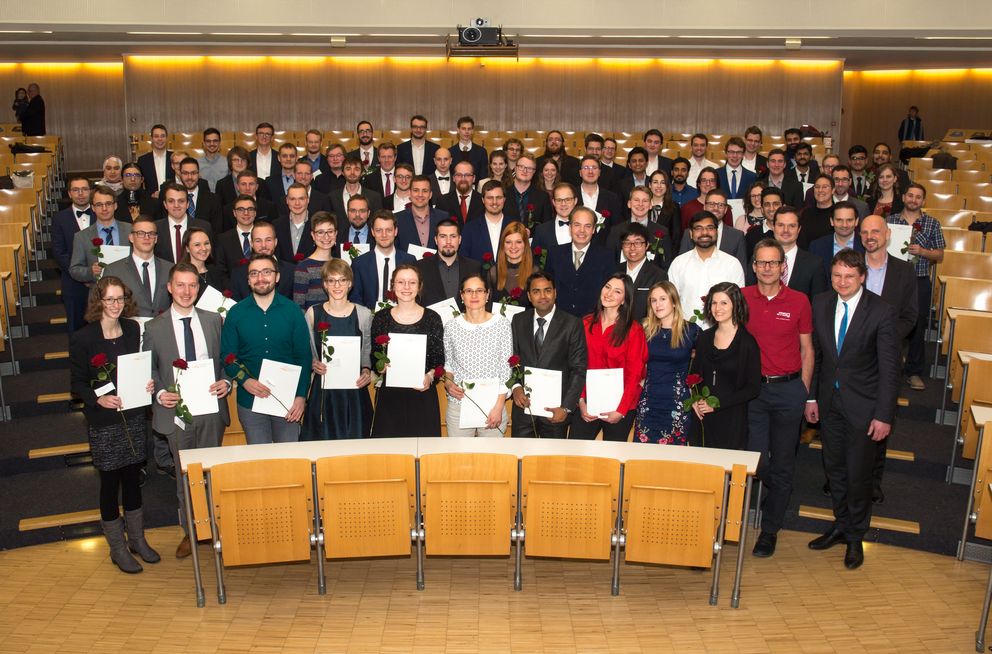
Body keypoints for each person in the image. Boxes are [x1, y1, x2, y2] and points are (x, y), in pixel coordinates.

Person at [805, 250, 900, 570]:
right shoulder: (820, 303)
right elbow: (816, 356)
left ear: (862, 277)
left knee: (859, 475)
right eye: (836, 276)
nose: (841, 282)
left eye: (848, 276)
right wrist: (811, 398)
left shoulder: (882, 311)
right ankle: (841, 524)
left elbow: (889, 370)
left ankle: (856, 535)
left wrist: (884, 414)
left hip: (865, 408)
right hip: (829, 405)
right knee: (835, 471)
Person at [142, 262, 231, 559]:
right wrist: (159, 393)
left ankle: (213, 529)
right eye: (180, 285)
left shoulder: (213, 321)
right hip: (176, 413)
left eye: (192, 285)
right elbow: (149, 369)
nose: (186, 291)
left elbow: (224, 361)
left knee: (210, 474)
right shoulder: (154, 328)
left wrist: (227, 383)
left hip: (209, 409)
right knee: (185, 477)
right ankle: (191, 532)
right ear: (169, 287)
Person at [69, 277, 156, 573]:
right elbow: (77, 383)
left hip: (132, 415)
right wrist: (98, 398)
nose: (116, 305)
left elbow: (138, 365)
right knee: (110, 483)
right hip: (104, 421)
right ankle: (117, 548)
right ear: (99, 302)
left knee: (133, 478)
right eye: (110, 300)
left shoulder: (132, 329)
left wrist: (147, 381)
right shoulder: (83, 338)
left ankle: (138, 540)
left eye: (120, 299)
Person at [743, 239, 815, 558]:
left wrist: (804, 390)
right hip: (753, 392)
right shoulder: (742, 298)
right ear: (754, 266)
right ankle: (780, 488)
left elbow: (807, 349)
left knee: (784, 462)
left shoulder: (799, 300)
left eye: (774, 263)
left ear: (782, 266)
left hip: (788, 391)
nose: (768, 268)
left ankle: (769, 531)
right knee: (757, 459)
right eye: (762, 263)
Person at [221, 253, 311, 444]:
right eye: (254, 273)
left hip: (288, 402)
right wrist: (244, 380)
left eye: (266, 272)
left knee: (288, 461)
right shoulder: (236, 313)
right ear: (248, 280)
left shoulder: (293, 311)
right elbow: (228, 356)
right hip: (250, 400)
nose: (260, 278)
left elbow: (304, 357)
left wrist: (301, 396)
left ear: (277, 277)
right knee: (259, 464)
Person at [860, 215, 919, 503]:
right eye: (865, 232)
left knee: (880, 419)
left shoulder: (905, 272)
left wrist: (882, 338)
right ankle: (841, 478)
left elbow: (910, 316)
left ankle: (872, 481)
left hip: (886, 358)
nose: (871, 236)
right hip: (850, 357)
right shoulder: (850, 268)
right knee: (845, 421)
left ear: (888, 235)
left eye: (876, 231)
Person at [509, 271, 588, 438]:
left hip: (556, 411)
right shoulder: (518, 320)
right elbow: (511, 359)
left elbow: (579, 369)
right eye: (536, 291)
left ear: (555, 293)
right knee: (521, 459)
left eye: (547, 290)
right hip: (524, 409)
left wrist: (566, 407)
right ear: (529, 296)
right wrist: (515, 388)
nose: (542, 296)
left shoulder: (572, 324)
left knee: (551, 462)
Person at [369, 264, 445, 437]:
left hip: (422, 395)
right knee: (390, 456)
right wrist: (380, 367)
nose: (406, 287)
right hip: (390, 397)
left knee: (424, 453)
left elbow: (438, 359)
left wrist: (430, 375)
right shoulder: (381, 317)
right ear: (393, 286)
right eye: (401, 282)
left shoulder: (433, 318)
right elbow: (374, 356)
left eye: (412, 282)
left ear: (419, 286)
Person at [301, 259, 373, 440]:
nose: (337, 285)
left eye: (342, 280)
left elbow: (367, 352)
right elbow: (306, 350)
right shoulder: (312, 313)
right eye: (331, 281)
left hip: (354, 392)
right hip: (324, 392)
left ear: (350, 283)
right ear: (325, 285)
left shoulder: (363, 314)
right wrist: (313, 363)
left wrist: (366, 370)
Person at [571, 273, 647, 441]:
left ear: (624, 299)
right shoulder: (585, 323)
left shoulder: (634, 330)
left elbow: (635, 373)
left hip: (619, 407)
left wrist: (621, 410)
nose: (609, 293)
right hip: (587, 403)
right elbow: (578, 366)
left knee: (611, 460)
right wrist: (581, 401)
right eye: (607, 287)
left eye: (617, 291)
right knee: (575, 456)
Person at [887, 183, 945, 391]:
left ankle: (914, 372)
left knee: (918, 325)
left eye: (918, 197)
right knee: (888, 322)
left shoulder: (932, 223)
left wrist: (922, 251)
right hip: (893, 279)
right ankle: (889, 366)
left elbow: (939, 254)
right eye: (910, 195)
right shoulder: (891, 221)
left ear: (923, 201)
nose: (913, 200)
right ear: (903, 197)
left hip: (919, 279)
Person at [689, 282, 761, 450]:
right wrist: (696, 399)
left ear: (735, 305)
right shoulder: (704, 338)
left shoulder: (747, 343)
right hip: (703, 417)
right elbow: (694, 375)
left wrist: (718, 403)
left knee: (726, 472)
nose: (717, 308)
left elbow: (753, 388)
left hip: (732, 418)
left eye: (724, 303)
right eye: (714, 303)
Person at [441, 273, 513, 437]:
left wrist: (498, 407)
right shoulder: (451, 326)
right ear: (461, 295)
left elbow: (506, 369)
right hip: (459, 405)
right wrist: (448, 383)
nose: (474, 295)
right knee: (459, 459)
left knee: (492, 460)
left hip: (493, 406)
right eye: (468, 291)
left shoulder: (501, 324)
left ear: (487, 294)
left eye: (479, 290)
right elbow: (449, 365)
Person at [635, 281, 700, 444]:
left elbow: (706, 362)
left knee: (674, 460)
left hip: (677, 403)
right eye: (653, 300)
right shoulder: (644, 329)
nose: (658, 304)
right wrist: (639, 380)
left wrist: (697, 394)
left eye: (662, 299)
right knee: (642, 458)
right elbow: (633, 360)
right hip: (649, 401)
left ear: (673, 301)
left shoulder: (690, 330)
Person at [667, 211, 746, 327]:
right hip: (685, 331)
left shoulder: (732, 264)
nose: (704, 233)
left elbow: (738, 303)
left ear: (717, 232)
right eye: (698, 228)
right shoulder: (679, 263)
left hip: (721, 332)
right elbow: (671, 301)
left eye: (710, 228)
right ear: (691, 234)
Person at [543, 206, 616, 317]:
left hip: (592, 322)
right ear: (570, 227)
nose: (582, 230)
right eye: (577, 225)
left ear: (593, 229)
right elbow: (548, 288)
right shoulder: (555, 253)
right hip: (560, 321)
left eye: (587, 226)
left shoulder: (606, 256)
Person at [103, 217, 172, 317]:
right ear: (131, 237)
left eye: (151, 233)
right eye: (140, 233)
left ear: (156, 239)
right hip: (128, 329)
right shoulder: (113, 270)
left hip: (162, 328)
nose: (146, 237)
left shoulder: (170, 269)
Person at [349, 210, 416, 310]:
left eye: (388, 230)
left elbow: (416, 294)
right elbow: (355, 298)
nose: (384, 235)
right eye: (379, 230)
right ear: (372, 232)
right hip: (369, 321)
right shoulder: (359, 263)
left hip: (403, 318)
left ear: (395, 231)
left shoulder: (409, 260)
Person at [53, 175, 95, 332]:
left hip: (100, 282)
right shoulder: (59, 218)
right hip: (73, 283)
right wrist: (81, 274)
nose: (81, 193)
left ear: (90, 191)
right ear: (69, 194)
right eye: (76, 190)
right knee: (76, 330)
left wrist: (94, 274)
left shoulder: (101, 214)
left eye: (84, 189)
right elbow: (59, 252)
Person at [416, 219, 481, 310]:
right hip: (431, 323)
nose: (448, 242)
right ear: (436, 240)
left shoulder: (474, 268)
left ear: (459, 239)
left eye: (453, 236)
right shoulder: (420, 268)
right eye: (443, 236)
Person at [617, 222, 668, 321]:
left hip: (644, 331)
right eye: (627, 243)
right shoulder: (614, 271)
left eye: (638, 243)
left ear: (647, 245)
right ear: (622, 246)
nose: (632, 248)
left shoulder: (658, 275)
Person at [293, 212, 338, 310]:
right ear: (313, 235)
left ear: (336, 233)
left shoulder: (340, 265)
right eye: (320, 232)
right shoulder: (303, 267)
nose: (326, 237)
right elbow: (298, 307)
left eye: (330, 231)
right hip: (313, 323)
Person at [809, 201, 865, 277]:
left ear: (856, 221)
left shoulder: (865, 245)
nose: (844, 225)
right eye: (839, 220)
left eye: (849, 220)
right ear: (832, 221)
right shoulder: (816, 247)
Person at [489, 222, 534, 309]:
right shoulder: (493, 273)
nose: (513, 247)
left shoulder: (535, 273)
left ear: (525, 244)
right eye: (509, 242)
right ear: (503, 245)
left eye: (518, 242)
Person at [180, 227, 226, 302]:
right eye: (197, 245)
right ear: (187, 248)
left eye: (206, 243)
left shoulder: (216, 271)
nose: (204, 248)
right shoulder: (182, 274)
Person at [137, 124, 172, 195]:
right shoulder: (142, 160)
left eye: (163, 136)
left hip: (172, 201)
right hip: (151, 200)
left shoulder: (174, 158)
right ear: (151, 139)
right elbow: (139, 186)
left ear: (167, 138)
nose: (160, 139)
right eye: (156, 136)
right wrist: (151, 195)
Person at [647, 170, 680, 244]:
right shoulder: (643, 205)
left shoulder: (674, 207)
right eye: (655, 182)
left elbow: (676, 236)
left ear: (667, 186)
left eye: (663, 182)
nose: (659, 186)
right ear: (650, 185)